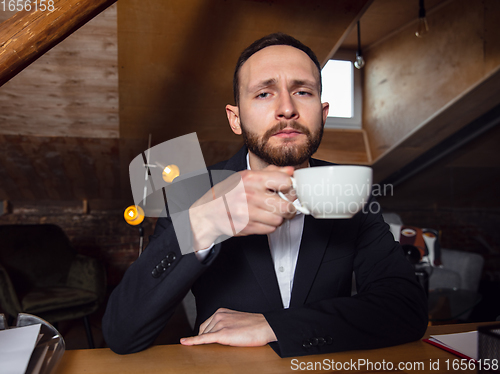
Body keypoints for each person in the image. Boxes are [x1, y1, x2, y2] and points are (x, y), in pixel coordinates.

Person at [102, 33, 428, 358]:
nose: (287, 108)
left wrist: (273, 325)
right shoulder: (190, 193)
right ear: (235, 118)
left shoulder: (349, 188)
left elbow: (405, 309)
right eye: (263, 93)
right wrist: (201, 224)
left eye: (303, 91)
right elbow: (121, 333)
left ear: (323, 112)